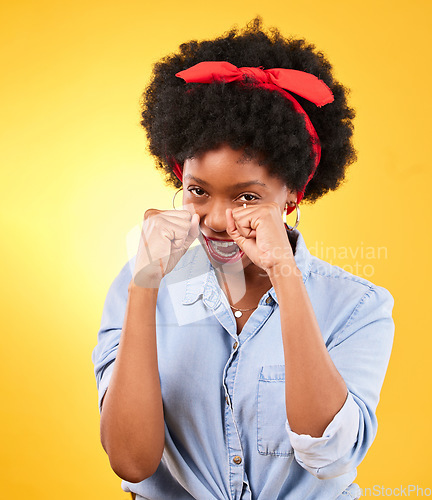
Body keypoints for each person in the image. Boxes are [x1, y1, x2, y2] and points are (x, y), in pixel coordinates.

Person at [92, 16, 395, 500]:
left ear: (292, 196)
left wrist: (285, 275)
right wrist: (145, 286)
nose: (214, 219)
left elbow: (330, 456)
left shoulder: (358, 307)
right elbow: (131, 461)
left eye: (247, 197)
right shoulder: (140, 286)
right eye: (198, 192)